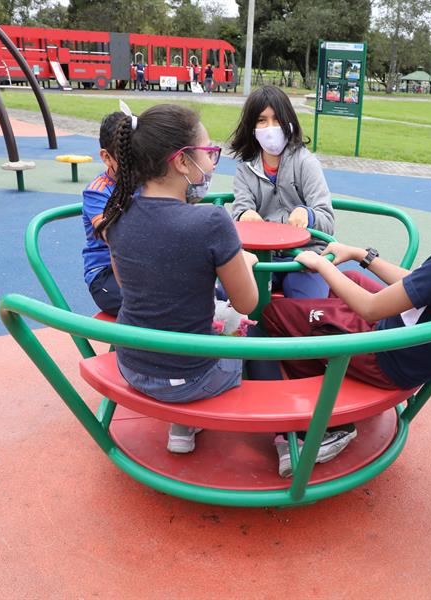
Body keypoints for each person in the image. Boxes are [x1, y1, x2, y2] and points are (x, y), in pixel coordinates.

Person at [261, 152, 431, 476]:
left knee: (276, 313)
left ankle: (326, 427)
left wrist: (319, 265)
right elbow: (420, 286)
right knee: (351, 282)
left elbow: (370, 308)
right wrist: (361, 255)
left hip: (386, 357)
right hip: (414, 351)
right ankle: (328, 354)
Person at [93, 103, 259, 454]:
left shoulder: (116, 215)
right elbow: (247, 303)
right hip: (194, 378)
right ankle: (285, 438)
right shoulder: (211, 221)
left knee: (202, 319)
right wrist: (246, 262)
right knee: (254, 334)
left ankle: (183, 427)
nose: (213, 163)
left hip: (132, 367)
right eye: (210, 153)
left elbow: (128, 287)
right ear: (182, 161)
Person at [227, 85, 335, 298]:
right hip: (263, 256)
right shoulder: (246, 169)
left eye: (277, 120)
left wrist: (308, 214)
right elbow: (241, 209)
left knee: (308, 306)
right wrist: (244, 215)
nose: (270, 127)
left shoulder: (305, 163)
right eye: (262, 120)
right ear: (252, 127)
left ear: (289, 123)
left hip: (304, 255)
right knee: (230, 295)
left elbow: (327, 220)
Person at [81, 111, 124, 316]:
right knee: (151, 302)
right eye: (127, 158)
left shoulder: (145, 184)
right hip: (105, 275)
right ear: (107, 157)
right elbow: (113, 237)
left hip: (139, 267)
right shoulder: (97, 191)